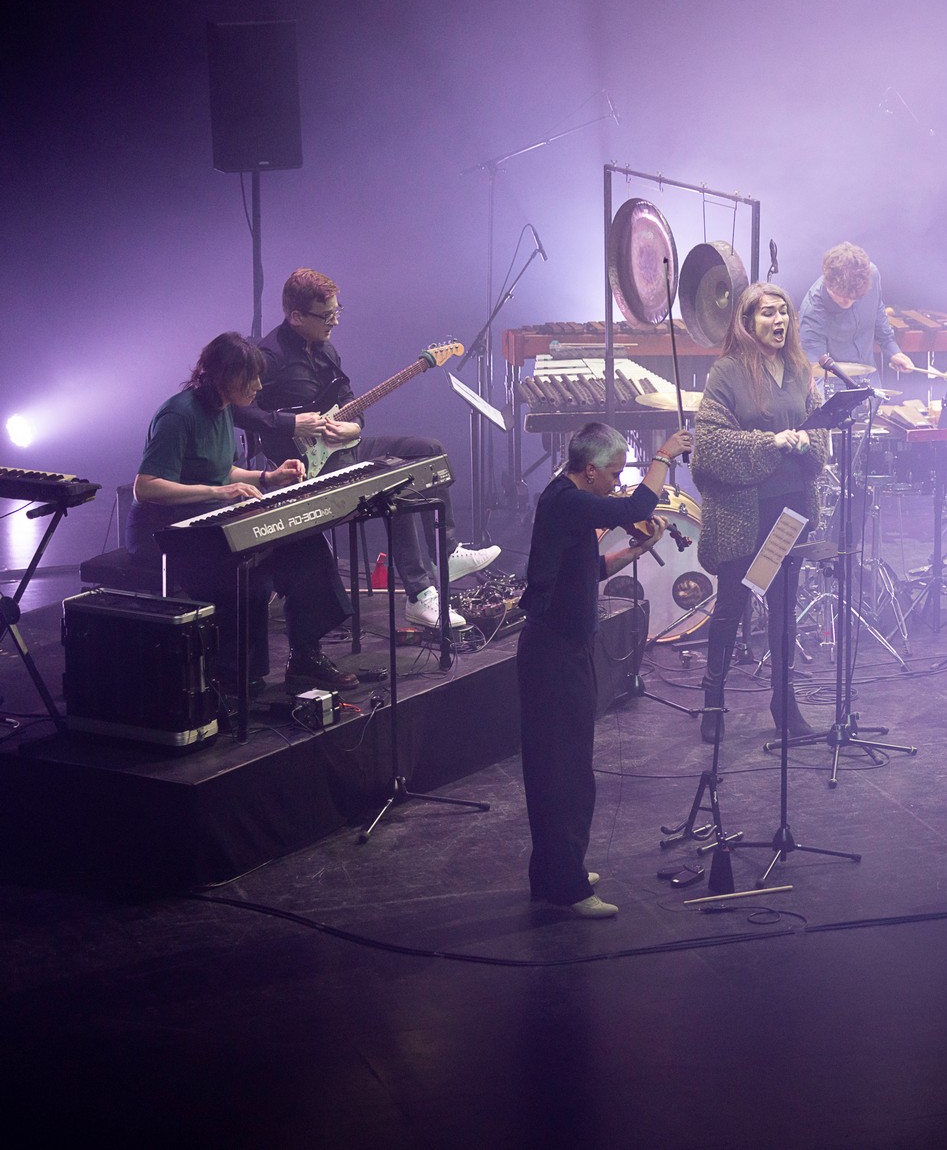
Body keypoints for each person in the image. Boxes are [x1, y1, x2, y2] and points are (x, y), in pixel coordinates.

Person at [235, 268, 498, 631]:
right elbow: (239, 410)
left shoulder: (326, 350)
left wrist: (354, 425)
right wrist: (292, 424)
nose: (334, 322)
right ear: (296, 316)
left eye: (337, 312)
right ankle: (420, 595)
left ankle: (447, 553)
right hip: (306, 469)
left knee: (429, 450)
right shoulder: (269, 356)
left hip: (345, 449)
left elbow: (348, 400)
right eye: (326, 316)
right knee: (393, 481)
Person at [517, 419, 690, 919]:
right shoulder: (568, 501)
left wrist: (634, 551)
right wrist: (664, 454)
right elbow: (637, 506)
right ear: (590, 472)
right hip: (553, 654)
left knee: (562, 769)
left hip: (561, 649)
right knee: (563, 773)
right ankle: (567, 886)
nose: (617, 481)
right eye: (613, 473)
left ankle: (555, 871)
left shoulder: (564, 500)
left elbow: (585, 571)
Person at [129, 332, 354, 698]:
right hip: (163, 531)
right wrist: (218, 492)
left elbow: (219, 469)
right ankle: (234, 676)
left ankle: (305, 655)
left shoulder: (222, 409)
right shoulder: (178, 414)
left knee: (304, 544)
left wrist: (268, 477)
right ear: (228, 377)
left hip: (207, 518)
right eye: (252, 379)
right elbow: (148, 486)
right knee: (248, 573)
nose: (259, 386)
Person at [691, 282, 827, 743]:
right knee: (732, 605)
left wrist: (810, 440)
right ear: (748, 321)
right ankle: (713, 700)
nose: (780, 320)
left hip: (790, 510)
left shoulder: (798, 368)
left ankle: (783, 703)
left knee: (784, 609)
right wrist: (769, 442)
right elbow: (707, 445)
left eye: (784, 312)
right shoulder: (727, 373)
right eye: (769, 313)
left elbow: (819, 427)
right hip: (745, 513)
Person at [797, 242, 917, 379]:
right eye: (842, 297)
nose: (848, 302)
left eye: (855, 298)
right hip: (835, 389)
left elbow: (877, 311)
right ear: (828, 283)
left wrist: (892, 350)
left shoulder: (872, 274)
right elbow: (815, 371)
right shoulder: (812, 312)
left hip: (870, 380)